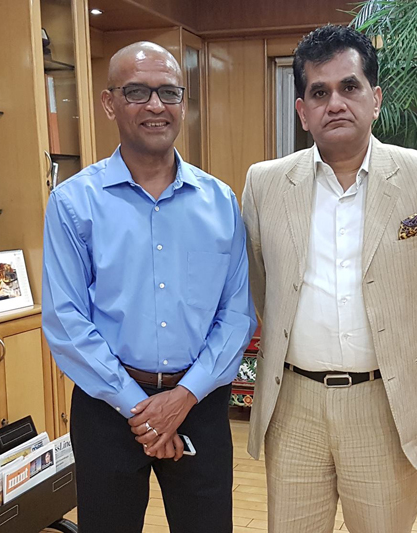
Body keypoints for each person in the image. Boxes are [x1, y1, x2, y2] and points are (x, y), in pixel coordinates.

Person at [241, 25, 417, 533]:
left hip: (382, 403)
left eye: (350, 87)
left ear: (375, 98)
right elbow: (262, 284)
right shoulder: (265, 183)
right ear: (302, 111)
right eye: (319, 92)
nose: (335, 103)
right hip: (294, 403)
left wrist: (408, 354)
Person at [42, 42, 256, 533]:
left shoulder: (220, 201)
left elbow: (236, 314)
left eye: (168, 92)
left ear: (184, 102)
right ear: (109, 102)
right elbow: (66, 320)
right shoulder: (74, 203)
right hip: (106, 409)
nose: (156, 106)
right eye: (137, 92)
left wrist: (181, 398)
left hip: (198, 404)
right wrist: (139, 409)